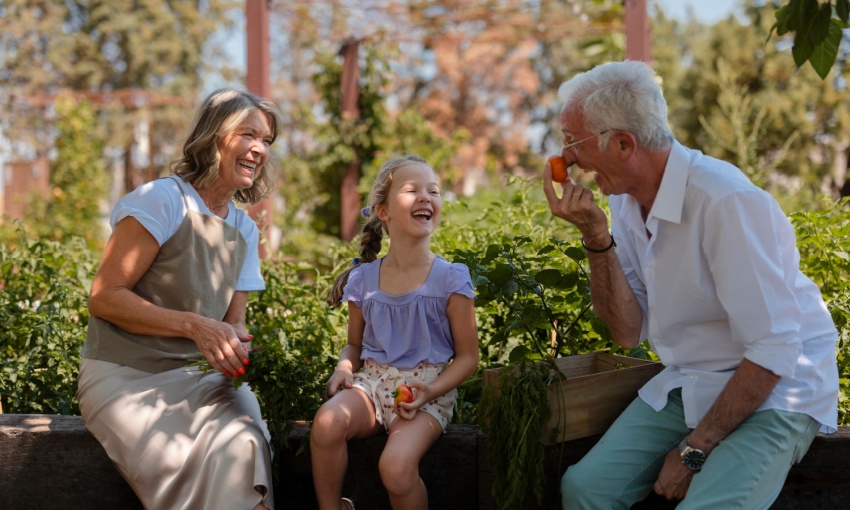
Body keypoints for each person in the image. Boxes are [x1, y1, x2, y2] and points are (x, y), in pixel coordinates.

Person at [542, 61, 839, 509]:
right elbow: (627, 332)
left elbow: (774, 349)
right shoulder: (623, 201)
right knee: (586, 489)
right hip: (694, 378)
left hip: (776, 387)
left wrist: (693, 451)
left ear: (623, 143)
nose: (567, 159)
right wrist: (595, 237)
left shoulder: (726, 201)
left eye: (572, 141)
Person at [76, 88, 282, 509]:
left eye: (266, 140)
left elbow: (234, 321)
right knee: (176, 458)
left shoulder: (244, 230)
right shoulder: (162, 200)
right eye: (248, 134)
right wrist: (194, 325)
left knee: (245, 443)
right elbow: (104, 297)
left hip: (203, 381)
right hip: (126, 377)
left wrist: (236, 344)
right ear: (215, 136)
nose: (259, 149)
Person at [310, 155, 480, 510]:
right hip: (372, 386)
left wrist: (431, 390)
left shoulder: (450, 279)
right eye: (412, 190)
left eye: (433, 191)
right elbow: (354, 345)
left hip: (426, 393)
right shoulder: (363, 279)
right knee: (326, 423)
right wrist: (344, 368)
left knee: (396, 468)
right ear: (383, 211)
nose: (426, 197)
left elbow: (468, 357)